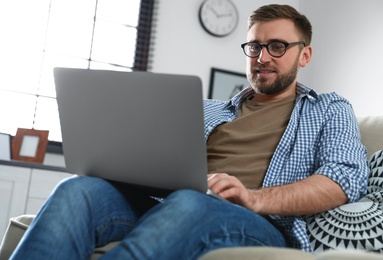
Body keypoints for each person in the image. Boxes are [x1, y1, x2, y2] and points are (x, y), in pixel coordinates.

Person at [11, 4, 369, 259]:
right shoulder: (205, 108)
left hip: (258, 221)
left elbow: (344, 180)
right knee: (78, 189)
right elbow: (156, 163)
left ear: (304, 56)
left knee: (190, 201)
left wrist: (254, 198)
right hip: (166, 203)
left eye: (277, 47)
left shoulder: (329, 109)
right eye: (255, 46)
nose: (262, 57)